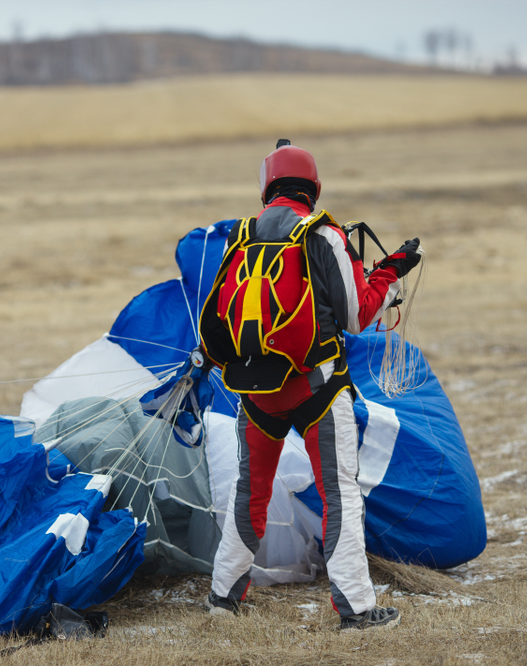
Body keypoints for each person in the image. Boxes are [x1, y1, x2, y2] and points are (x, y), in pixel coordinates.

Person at [197, 139, 421, 632]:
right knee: (340, 496)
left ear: (267, 185)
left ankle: (222, 598)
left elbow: (215, 322)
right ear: (312, 187)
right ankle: (358, 611)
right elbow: (357, 314)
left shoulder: (243, 236)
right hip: (315, 390)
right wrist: (389, 274)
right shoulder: (323, 234)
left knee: (248, 494)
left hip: (254, 394)